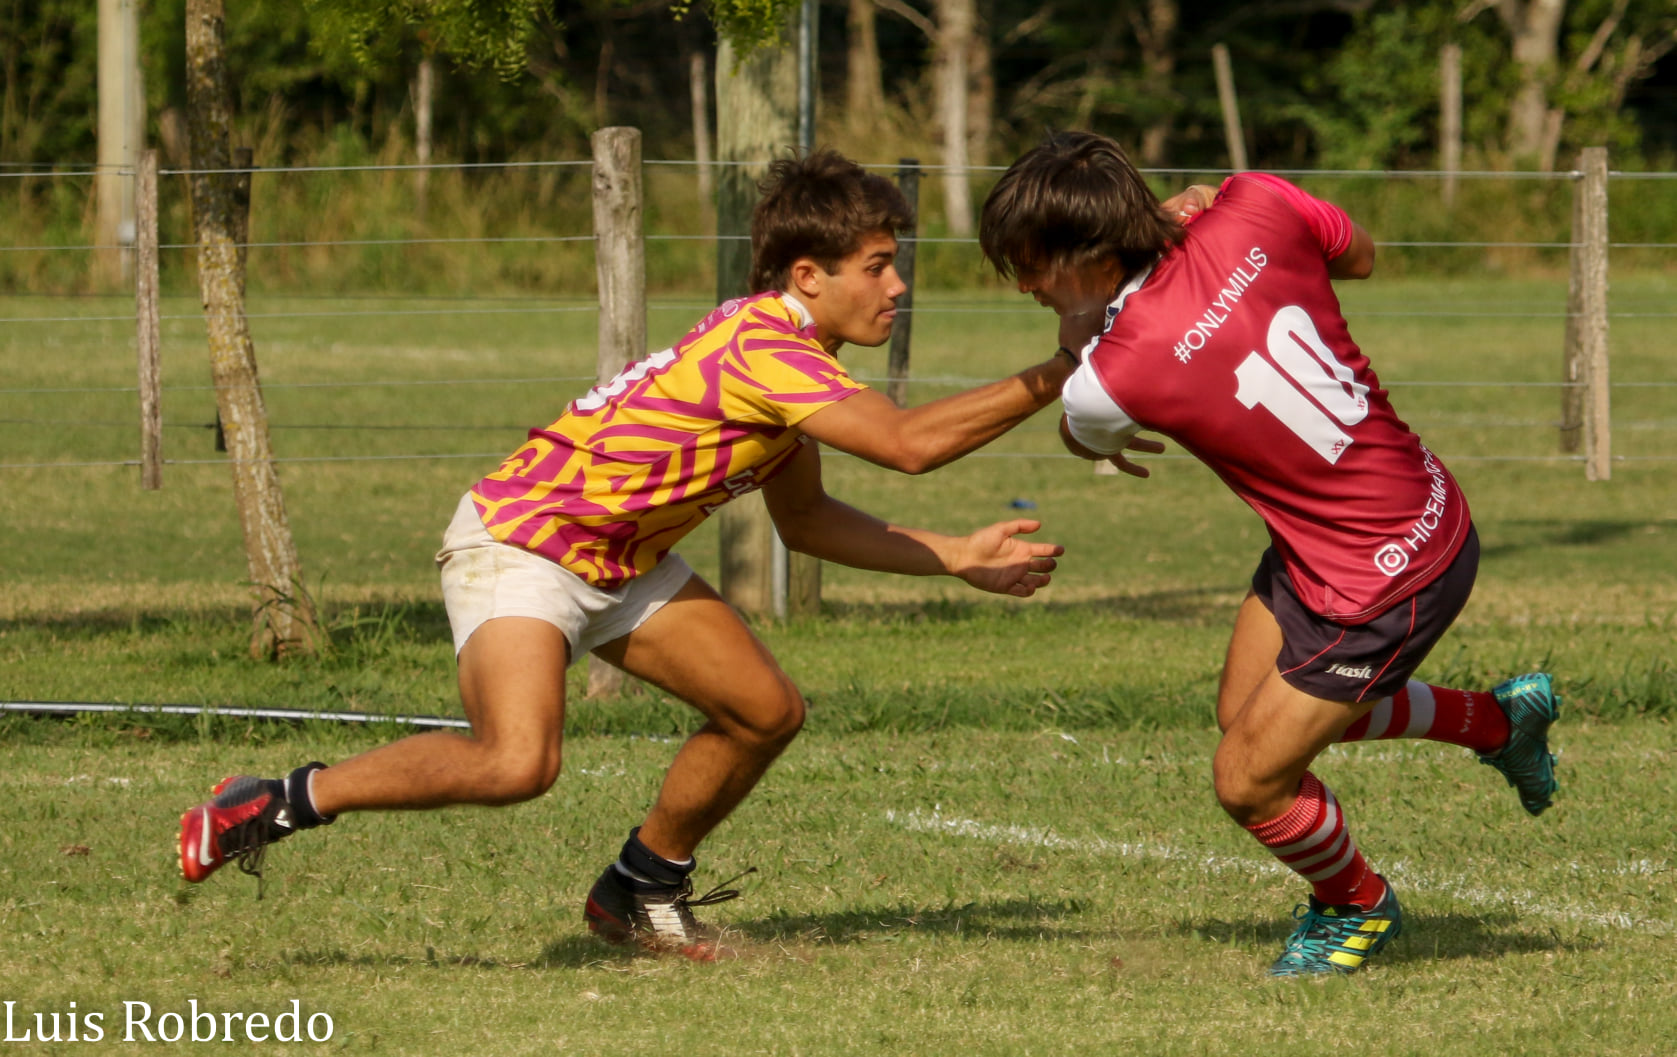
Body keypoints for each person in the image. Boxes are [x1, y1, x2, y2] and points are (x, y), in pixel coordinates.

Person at [178, 149, 1136, 959]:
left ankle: (640, 885)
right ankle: (279, 799)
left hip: (621, 559)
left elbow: (805, 523)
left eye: (896, 264)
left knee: (764, 711)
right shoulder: (767, 350)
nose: (897, 285)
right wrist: (1064, 369)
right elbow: (909, 445)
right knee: (517, 763)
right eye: (878, 265)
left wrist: (955, 553)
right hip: (524, 542)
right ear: (808, 275)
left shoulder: (791, 360)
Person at [978, 130, 1560, 977]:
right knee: (1247, 715)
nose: (1025, 285)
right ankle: (1500, 721)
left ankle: (1355, 906)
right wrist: (1209, 234)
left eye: (1032, 267)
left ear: (1091, 253)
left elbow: (1084, 428)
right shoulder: (1254, 197)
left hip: (1383, 574)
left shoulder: (1109, 376)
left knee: (1248, 777)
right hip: (1385, 515)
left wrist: (1084, 327)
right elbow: (1359, 256)